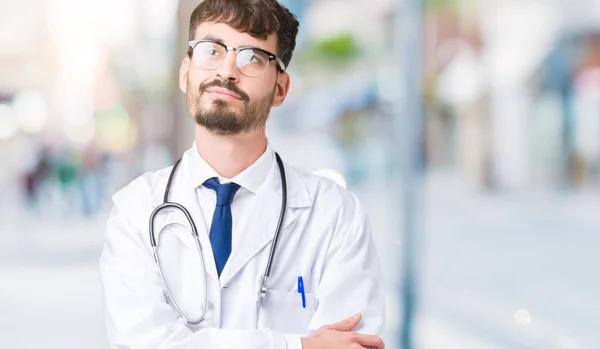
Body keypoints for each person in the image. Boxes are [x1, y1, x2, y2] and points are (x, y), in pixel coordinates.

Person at [98, 1, 385, 348]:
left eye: (252, 57)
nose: (227, 70)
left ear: (280, 88)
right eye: (211, 50)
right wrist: (299, 345)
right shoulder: (136, 210)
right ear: (185, 71)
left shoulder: (336, 215)